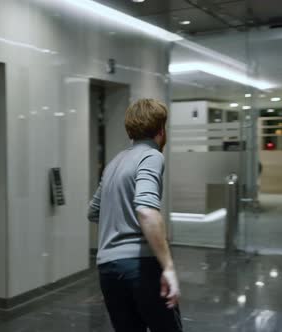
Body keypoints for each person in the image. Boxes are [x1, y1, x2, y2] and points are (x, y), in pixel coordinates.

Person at [87, 99, 183, 332]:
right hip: (141, 267)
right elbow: (146, 210)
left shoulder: (114, 162)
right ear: (161, 130)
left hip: (108, 270)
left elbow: (93, 211)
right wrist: (168, 267)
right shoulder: (151, 156)